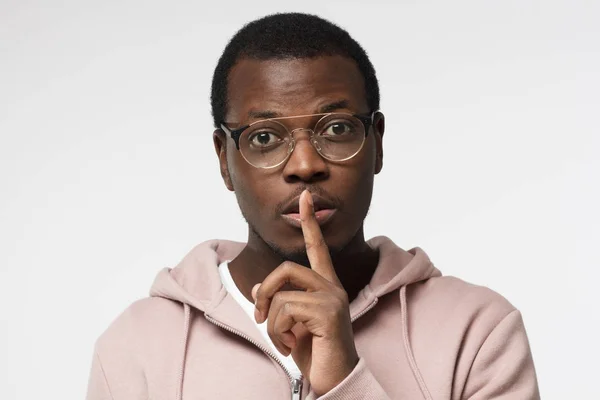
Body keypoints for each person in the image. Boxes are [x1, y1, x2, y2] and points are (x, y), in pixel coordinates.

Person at [86, 12, 540, 400]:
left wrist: (345, 380)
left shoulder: (478, 332)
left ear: (377, 144)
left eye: (337, 129)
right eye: (264, 138)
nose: (305, 165)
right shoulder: (136, 347)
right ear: (224, 160)